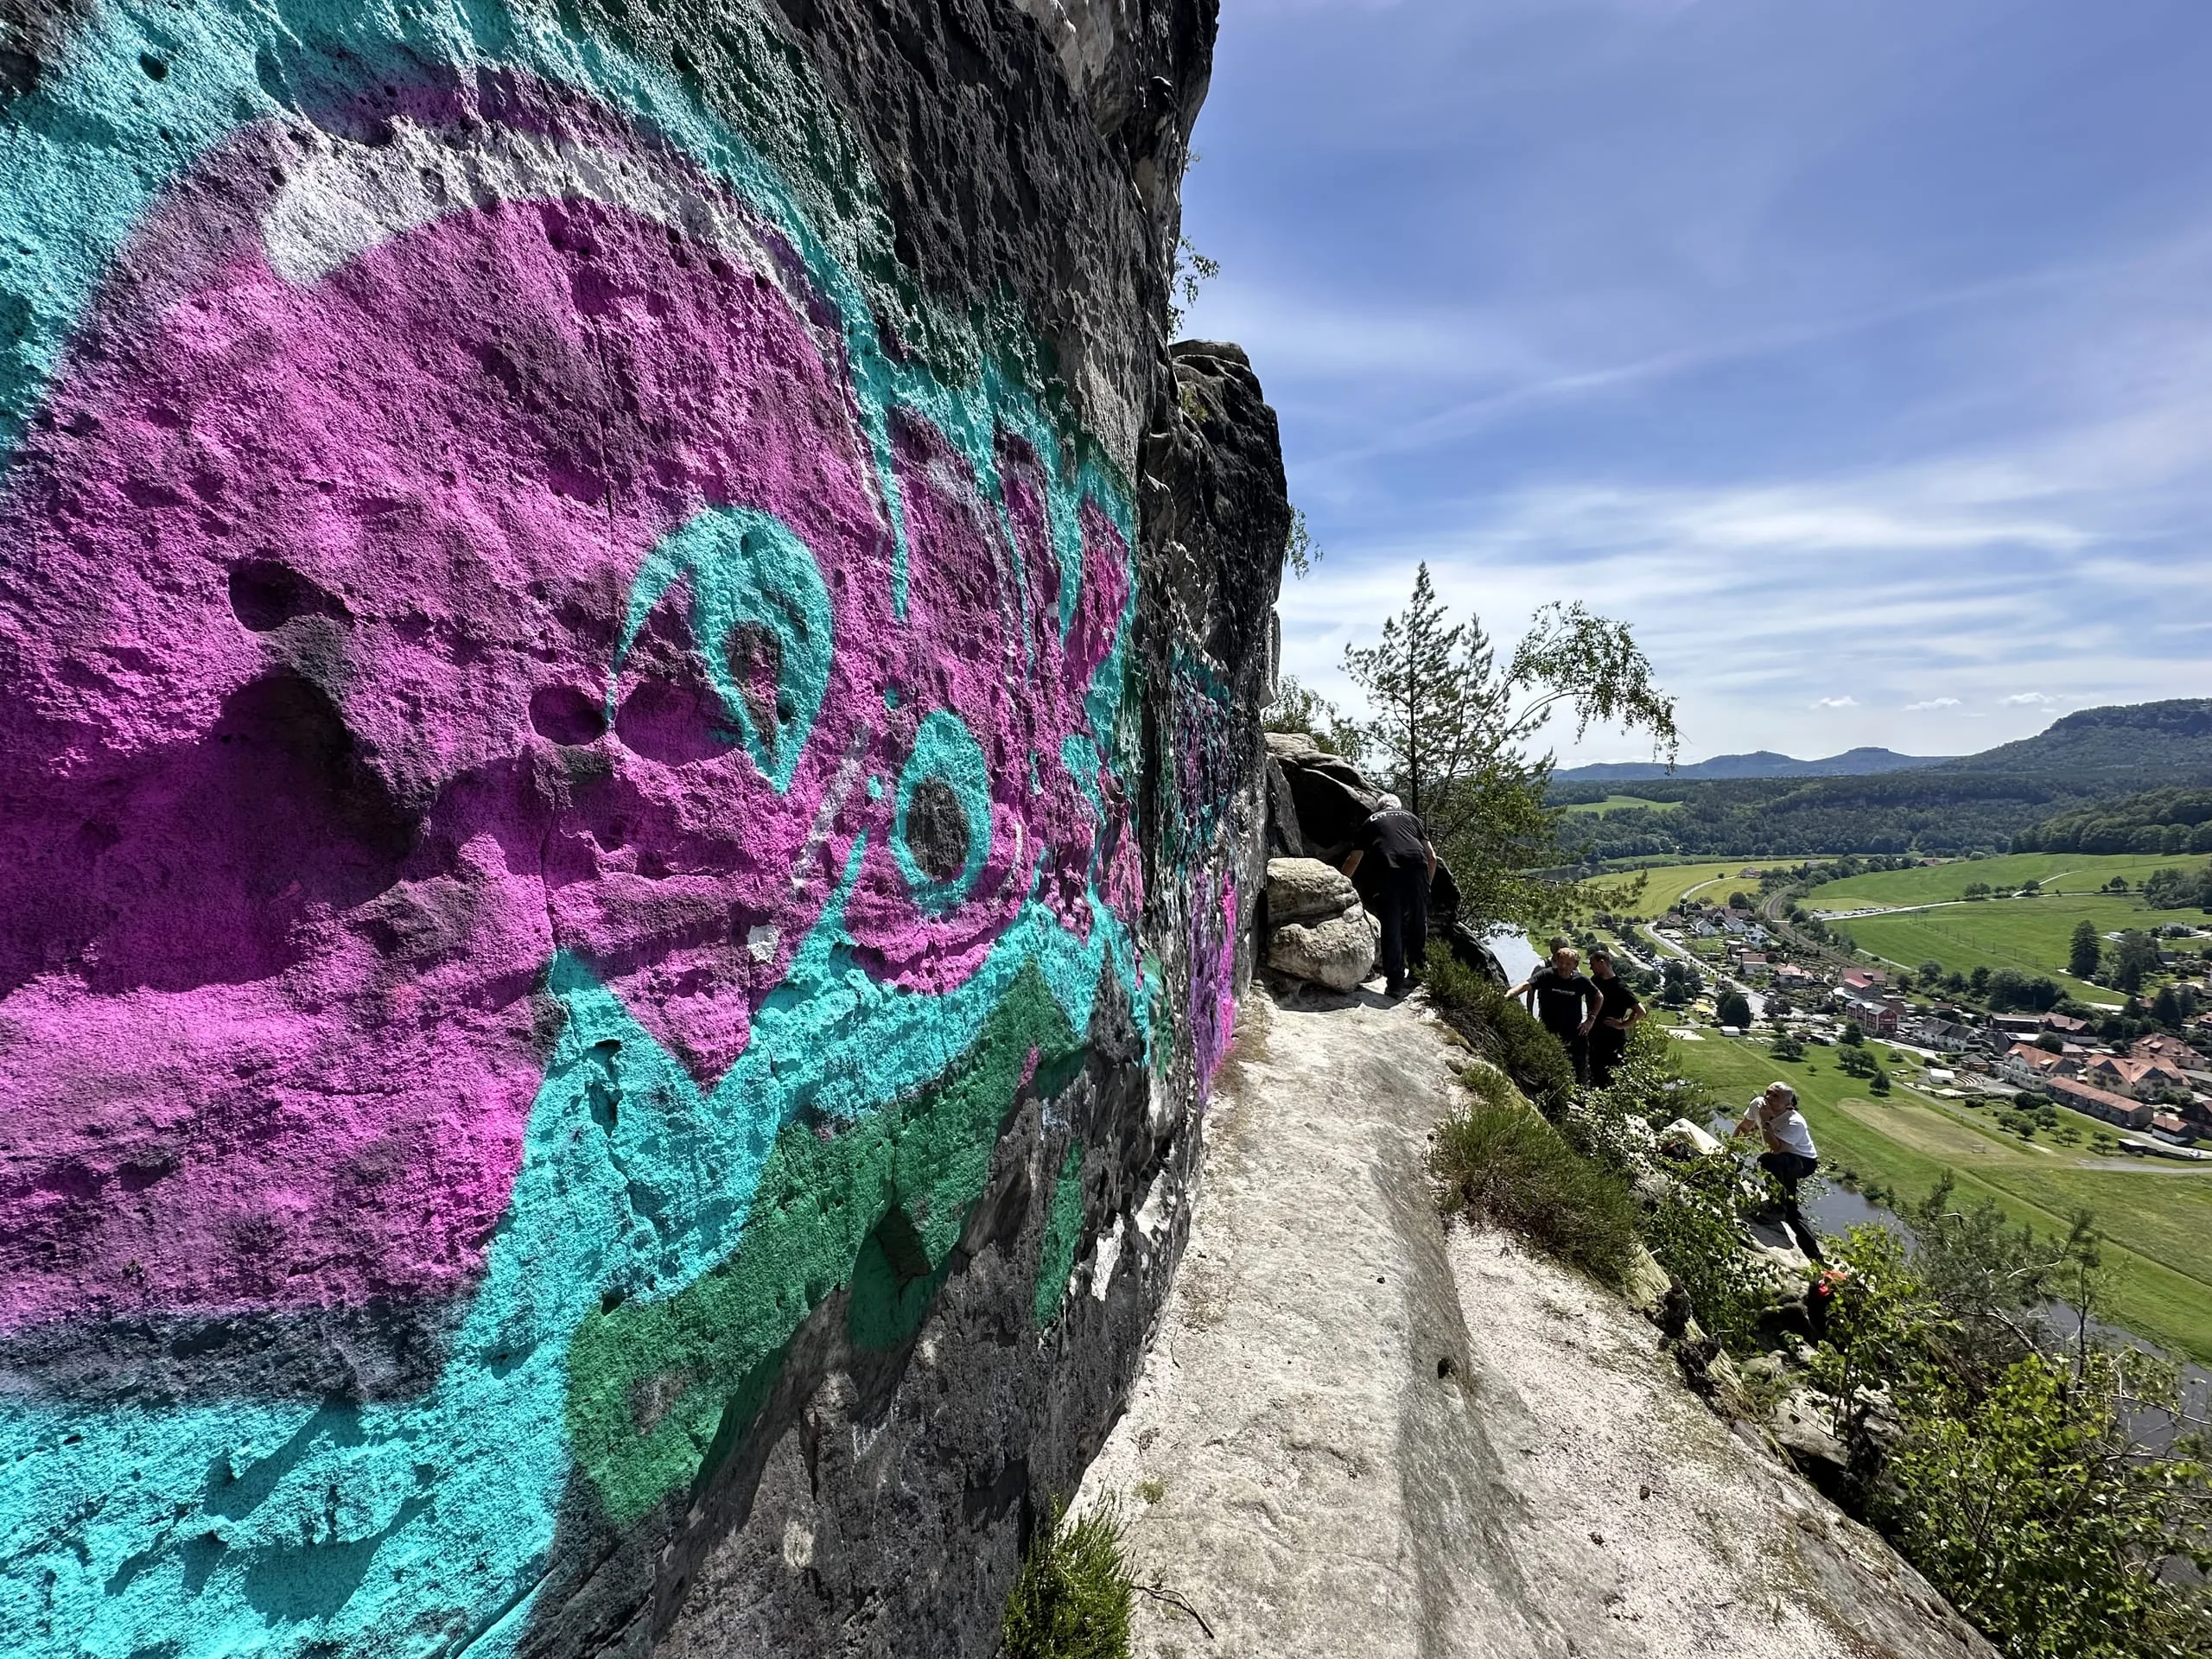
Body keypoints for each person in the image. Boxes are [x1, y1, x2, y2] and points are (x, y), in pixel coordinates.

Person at [1340, 793, 1436, 998]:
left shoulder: (1371, 821)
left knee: (1392, 927)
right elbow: (1432, 857)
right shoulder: (1411, 818)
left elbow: (1354, 859)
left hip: (1388, 870)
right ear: (1398, 806)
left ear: (1379, 808)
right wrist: (1426, 885)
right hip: (1417, 867)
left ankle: (1394, 984)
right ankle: (1418, 973)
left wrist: (1339, 885)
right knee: (1418, 922)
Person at [1735, 1081, 1827, 1264]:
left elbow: (1776, 1149)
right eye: (1768, 1093)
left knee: (1766, 1160)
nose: (1768, 1097)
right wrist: (1729, 1150)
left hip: (1803, 1163)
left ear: (1788, 1104)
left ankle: (1776, 1207)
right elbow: (1744, 1127)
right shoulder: (1758, 1104)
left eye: (1775, 1096)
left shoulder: (1795, 1122)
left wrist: (1766, 1120)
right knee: (1791, 1211)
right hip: (1784, 1161)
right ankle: (1816, 1258)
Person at [1509, 941, 1600, 1084]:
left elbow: (1598, 996)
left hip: (1574, 1033)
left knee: (1579, 1069)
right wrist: (1508, 995)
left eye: (1568, 964)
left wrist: (1590, 1019)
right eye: (1561, 962)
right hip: (1548, 1030)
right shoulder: (1546, 975)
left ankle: (1580, 1098)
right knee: (1545, 1064)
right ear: (1556, 961)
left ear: (1575, 966)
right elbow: (1527, 986)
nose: (1563, 967)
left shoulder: (1581, 980)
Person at [1586, 947, 1644, 1088]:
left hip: (1612, 1040)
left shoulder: (1620, 987)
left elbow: (1641, 1012)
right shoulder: (1594, 981)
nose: (1591, 967)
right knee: (1593, 1071)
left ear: (1602, 963)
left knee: (1609, 1076)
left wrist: (1622, 1025)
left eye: (1592, 964)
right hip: (1594, 1035)